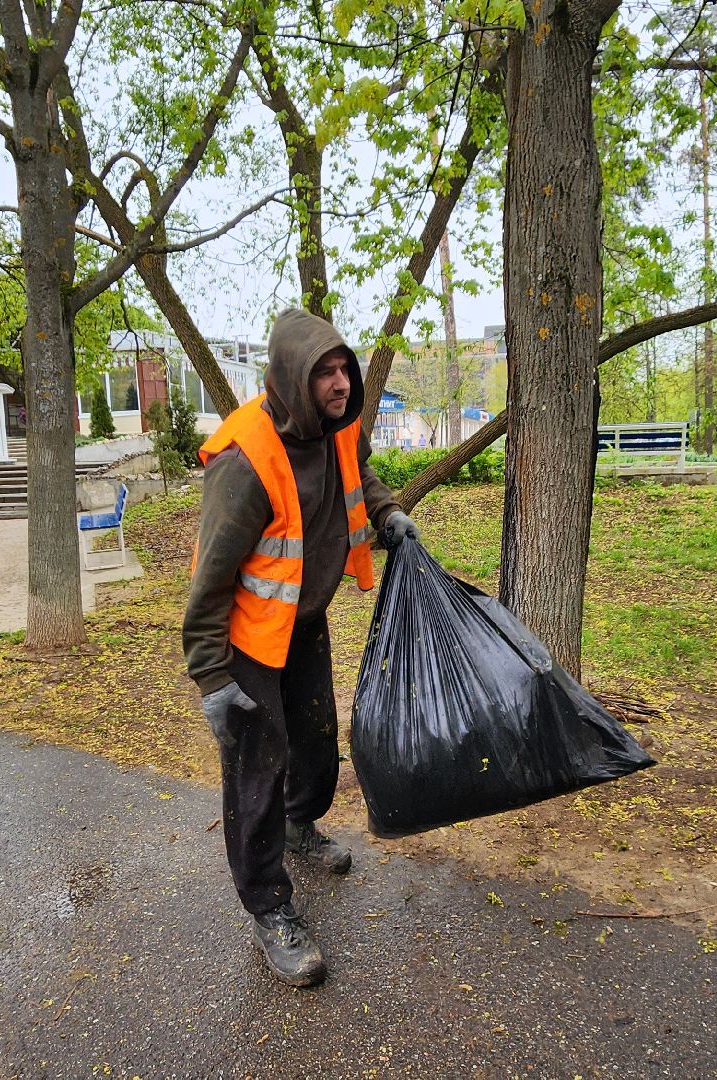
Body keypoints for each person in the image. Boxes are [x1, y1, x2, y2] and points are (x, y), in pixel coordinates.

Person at [182, 308, 419, 987]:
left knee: (314, 747)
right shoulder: (246, 461)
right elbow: (208, 580)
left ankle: (298, 826)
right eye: (326, 373)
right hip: (248, 641)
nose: (342, 383)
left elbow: (360, 477)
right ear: (292, 378)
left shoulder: (339, 429)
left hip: (303, 620)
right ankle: (269, 908)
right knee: (256, 772)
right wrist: (212, 680)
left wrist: (387, 512)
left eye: (344, 367)